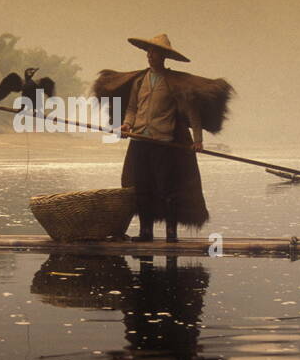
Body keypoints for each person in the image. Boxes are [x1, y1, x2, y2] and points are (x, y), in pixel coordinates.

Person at [92, 34, 233, 242]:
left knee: (168, 188)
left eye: (155, 52)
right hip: (140, 140)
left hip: (163, 142)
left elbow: (191, 112)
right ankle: (145, 232)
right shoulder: (140, 81)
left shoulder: (174, 82)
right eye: (148, 52)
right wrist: (127, 124)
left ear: (164, 56)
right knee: (141, 187)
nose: (150, 56)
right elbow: (132, 108)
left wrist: (198, 139)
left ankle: (170, 232)